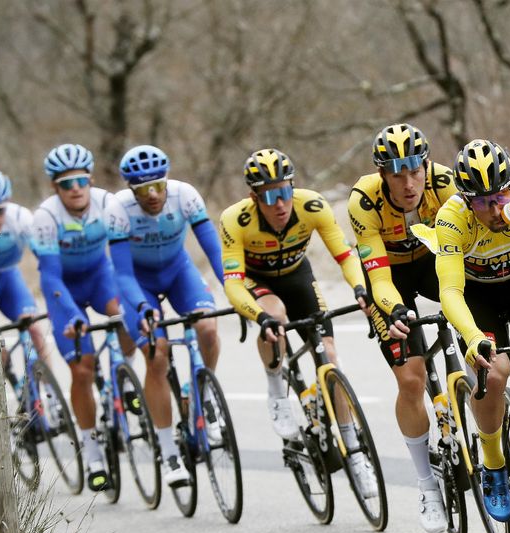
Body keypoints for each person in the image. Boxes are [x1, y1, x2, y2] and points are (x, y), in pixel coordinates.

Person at [219, 148, 374, 495]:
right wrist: (257, 316)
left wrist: (360, 287)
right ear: (254, 197)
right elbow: (231, 281)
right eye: (270, 195)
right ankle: (277, 388)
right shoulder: (236, 220)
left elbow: (345, 255)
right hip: (257, 282)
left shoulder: (312, 206)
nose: (280, 203)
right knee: (274, 317)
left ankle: (355, 452)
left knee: (330, 358)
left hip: (297, 277)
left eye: (285, 191)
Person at [412, 139, 510, 522]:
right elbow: (449, 291)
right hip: (479, 297)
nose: (495, 210)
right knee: (493, 373)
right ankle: (493, 462)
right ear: (466, 200)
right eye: (482, 202)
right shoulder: (452, 219)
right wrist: (472, 337)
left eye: (500, 197)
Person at [347, 124, 458, 533]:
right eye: (397, 173)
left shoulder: (446, 183)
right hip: (390, 277)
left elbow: (463, 250)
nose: (408, 182)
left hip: (432, 264)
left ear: (426, 165)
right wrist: (393, 310)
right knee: (411, 380)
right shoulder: (363, 202)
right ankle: (427, 484)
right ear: (382, 175)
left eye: (415, 169)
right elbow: (377, 277)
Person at [29, 143, 152, 492]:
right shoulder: (46, 217)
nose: (76, 189)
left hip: (101, 278)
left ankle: (125, 374)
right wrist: (70, 314)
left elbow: (123, 259)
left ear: (91, 179)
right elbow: (51, 277)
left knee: (125, 314)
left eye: (81, 180)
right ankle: (93, 453)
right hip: (64, 292)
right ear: (55, 187)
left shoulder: (107, 203)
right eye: (67, 184)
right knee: (82, 368)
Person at [115, 145, 225, 487]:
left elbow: (213, 249)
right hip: (137, 282)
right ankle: (169, 451)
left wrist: (236, 290)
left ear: (167, 182)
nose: (152, 196)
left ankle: (205, 392)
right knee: (157, 354)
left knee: (207, 326)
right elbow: (120, 273)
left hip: (179, 272)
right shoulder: (118, 210)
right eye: (143, 190)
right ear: (132, 190)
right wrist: (141, 307)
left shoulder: (185, 195)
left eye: (157, 187)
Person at [0, 168, 50, 363]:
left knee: (35, 328)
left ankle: (49, 390)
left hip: (7, 277)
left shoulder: (21, 218)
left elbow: (45, 258)